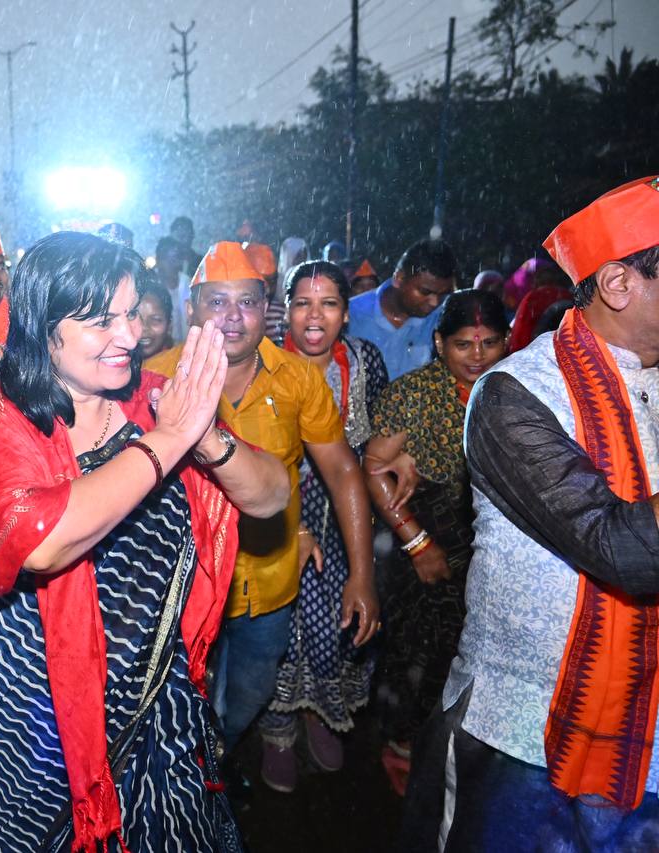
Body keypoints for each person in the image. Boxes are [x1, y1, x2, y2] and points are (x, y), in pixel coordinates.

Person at [0, 230, 289, 852]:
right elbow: (40, 541)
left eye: (132, 313)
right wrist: (169, 440)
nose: (130, 337)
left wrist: (205, 438)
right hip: (36, 708)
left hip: (158, 697)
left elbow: (272, 496)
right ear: (43, 326)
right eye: (101, 321)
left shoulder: (155, 401)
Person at [400, 176, 659, 850]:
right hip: (526, 735)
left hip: (649, 731)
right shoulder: (514, 395)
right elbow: (623, 549)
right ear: (619, 284)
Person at [146, 242, 377, 779]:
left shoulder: (297, 379)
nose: (232, 317)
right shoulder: (154, 380)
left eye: (246, 302)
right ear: (191, 309)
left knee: (250, 694)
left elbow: (343, 470)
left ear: (265, 309)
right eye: (217, 302)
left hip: (269, 582)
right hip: (181, 590)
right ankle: (191, 783)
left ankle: (212, 764)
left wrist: (362, 574)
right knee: (181, 702)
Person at [362, 288, 509, 795]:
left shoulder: (514, 390)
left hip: (490, 541)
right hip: (427, 540)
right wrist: (418, 542)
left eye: (489, 343)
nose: (477, 356)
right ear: (441, 343)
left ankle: (450, 747)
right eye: (463, 344)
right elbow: (374, 468)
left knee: (475, 649)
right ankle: (402, 743)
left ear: (508, 341)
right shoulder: (414, 393)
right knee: (421, 648)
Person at [258, 260, 388, 792]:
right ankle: (277, 726)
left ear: (346, 313)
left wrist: (396, 460)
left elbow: (378, 435)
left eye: (329, 304)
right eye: (303, 304)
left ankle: (318, 710)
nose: (315, 317)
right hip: (277, 514)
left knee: (340, 619)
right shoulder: (262, 362)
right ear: (285, 310)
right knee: (281, 626)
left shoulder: (364, 360)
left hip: (344, 514)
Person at [347, 239, 458, 381]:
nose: (434, 302)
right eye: (425, 292)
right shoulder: (351, 314)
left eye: (442, 294)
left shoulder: (443, 319)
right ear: (399, 278)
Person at [507, 262, 575, 352]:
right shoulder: (568, 296)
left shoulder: (532, 298)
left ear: (535, 281)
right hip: (570, 348)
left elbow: (520, 333)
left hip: (536, 352)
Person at [245, 241, 285, 345]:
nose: (267, 288)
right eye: (260, 281)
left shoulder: (283, 315)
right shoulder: (228, 316)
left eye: (271, 281)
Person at [154, 235, 190, 341]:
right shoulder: (150, 286)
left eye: (175, 259)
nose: (172, 264)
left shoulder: (188, 283)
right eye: (167, 260)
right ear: (158, 260)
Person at [135, 273, 174, 360]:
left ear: (169, 326)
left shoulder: (179, 364)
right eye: (136, 318)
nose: (144, 327)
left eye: (155, 320)